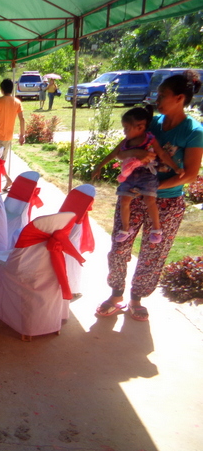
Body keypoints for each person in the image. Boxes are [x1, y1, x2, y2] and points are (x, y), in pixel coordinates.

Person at [96, 70, 203, 322]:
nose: (157, 98)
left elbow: (189, 175)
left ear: (179, 98)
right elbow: (124, 148)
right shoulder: (150, 123)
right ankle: (116, 294)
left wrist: (152, 190)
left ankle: (137, 298)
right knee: (120, 245)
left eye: (162, 94)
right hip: (133, 196)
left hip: (166, 202)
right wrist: (124, 161)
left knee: (152, 252)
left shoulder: (193, 131)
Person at [92, 106, 184, 244]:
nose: (124, 131)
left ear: (140, 127)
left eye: (127, 128)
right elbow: (113, 154)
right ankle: (125, 228)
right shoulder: (125, 143)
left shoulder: (149, 139)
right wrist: (99, 166)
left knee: (149, 200)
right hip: (130, 176)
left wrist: (176, 167)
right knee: (124, 201)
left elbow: (162, 154)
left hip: (146, 175)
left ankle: (156, 229)